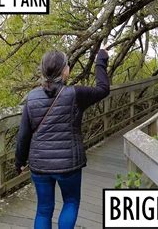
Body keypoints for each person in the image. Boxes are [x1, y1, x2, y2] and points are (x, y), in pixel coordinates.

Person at [15, 48, 110, 229]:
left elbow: (24, 134)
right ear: (65, 71)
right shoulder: (76, 94)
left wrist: (19, 161)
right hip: (68, 164)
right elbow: (103, 89)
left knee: (43, 209)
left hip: (40, 164)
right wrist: (101, 60)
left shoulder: (32, 97)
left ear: (43, 72)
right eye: (67, 65)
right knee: (71, 202)